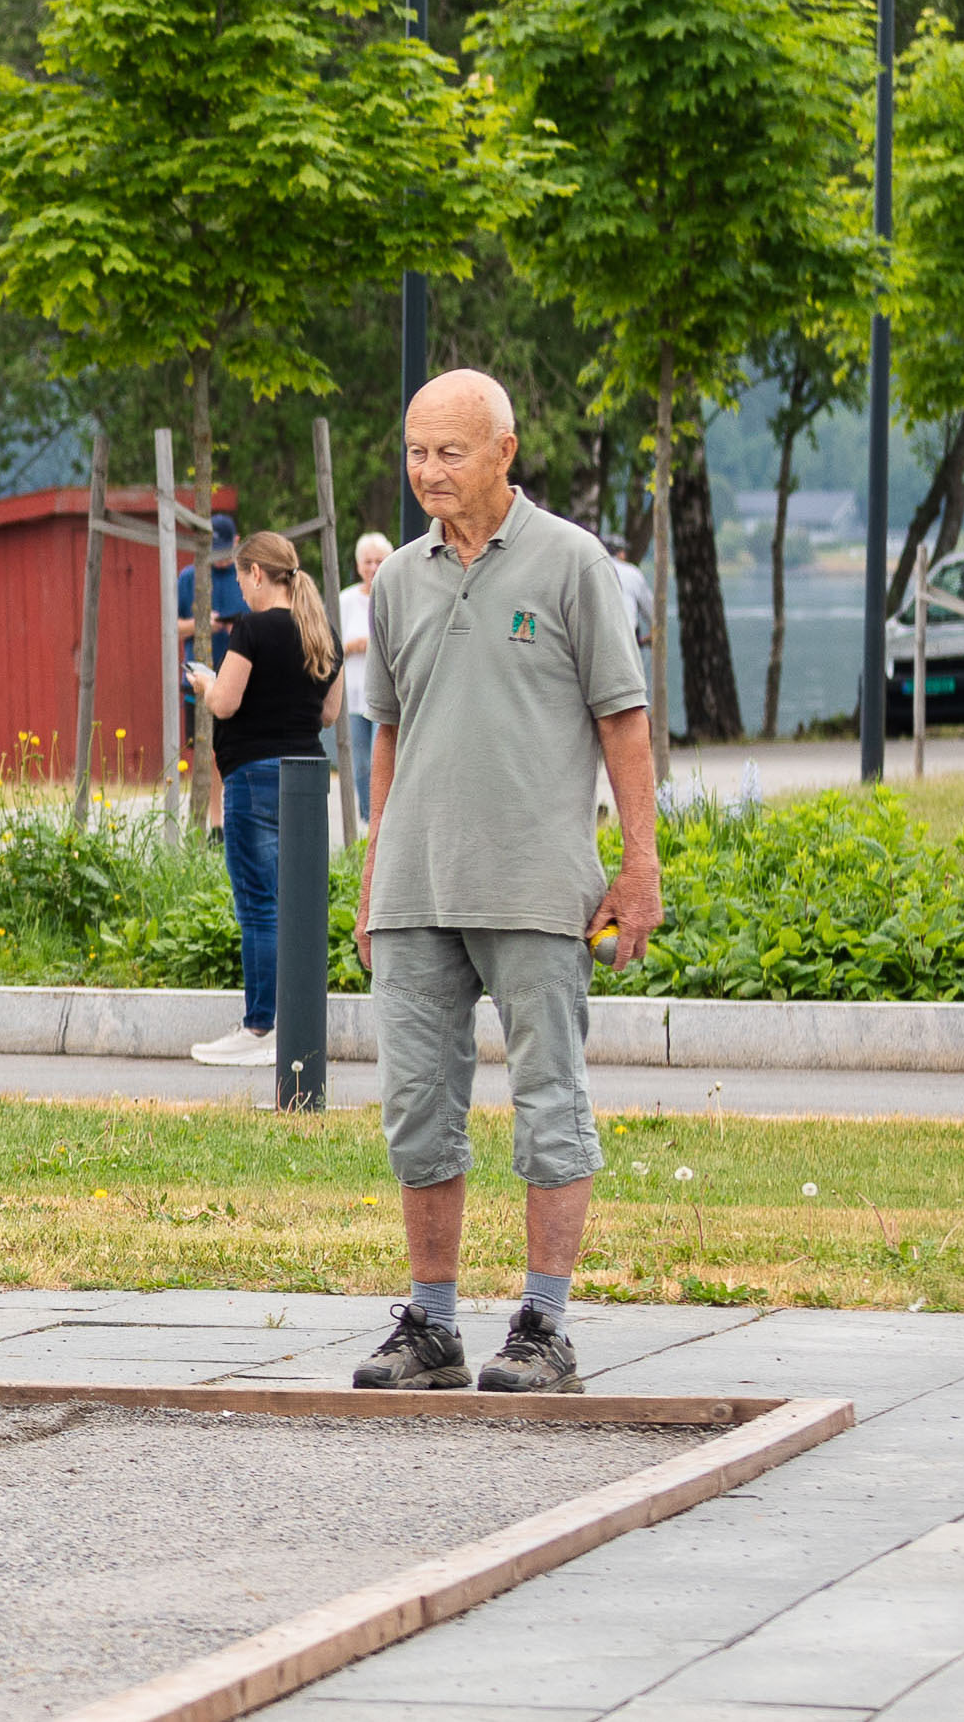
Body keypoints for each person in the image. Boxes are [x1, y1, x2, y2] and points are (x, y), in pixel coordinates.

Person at [351, 370, 659, 1399]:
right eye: (413, 452)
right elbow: (388, 733)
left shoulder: (573, 564)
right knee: (416, 1107)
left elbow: (622, 720)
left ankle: (542, 1327)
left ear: (503, 450)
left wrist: (637, 867)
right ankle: (430, 1325)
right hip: (414, 889)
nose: (426, 472)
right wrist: (371, 878)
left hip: (536, 884)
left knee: (548, 1104)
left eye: (447, 451)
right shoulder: (395, 579)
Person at [184, 525, 339, 1068]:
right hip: (305, 781)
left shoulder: (252, 629)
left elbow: (226, 704)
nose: (241, 591)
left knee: (258, 906)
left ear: (255, 574)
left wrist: (204, 683)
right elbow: (328, 713)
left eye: (242, 577)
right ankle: (295, 1025)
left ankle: (259, 1027)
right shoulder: (321, 632)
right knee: (296, 906)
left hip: (252, 777)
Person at [341, 531, 391, 817]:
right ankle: (364, 818)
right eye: (368, 562)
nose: (373, 568)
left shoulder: (393, 595)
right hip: (353, 693)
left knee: (379, 759)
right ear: (359, 565)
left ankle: (380, 817)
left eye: (379, 561)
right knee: (358, 761)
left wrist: (374, 644)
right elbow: (330, 645)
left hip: (383, 693)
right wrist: (350, 646)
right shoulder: (345, 601)